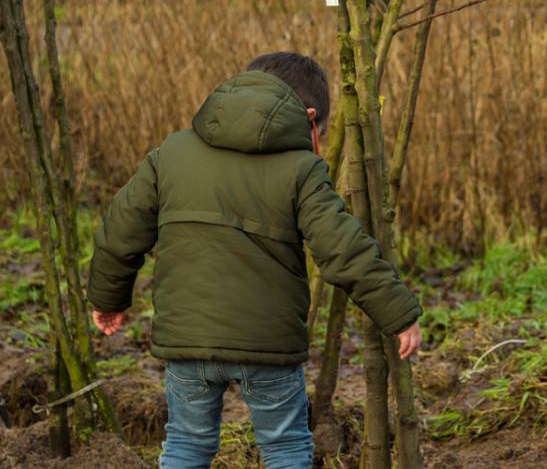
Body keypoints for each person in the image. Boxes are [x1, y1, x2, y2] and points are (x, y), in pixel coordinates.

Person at [86, 52, 423, 469]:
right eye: (320, 130)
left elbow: (119, 234)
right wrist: (399, 313)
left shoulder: (172, 152)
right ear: (309, 116)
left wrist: (109, 298)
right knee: (284, 449)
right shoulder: (302, 168)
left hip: (188, 341)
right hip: (268, 347)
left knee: (186, 446)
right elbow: (343, 248)